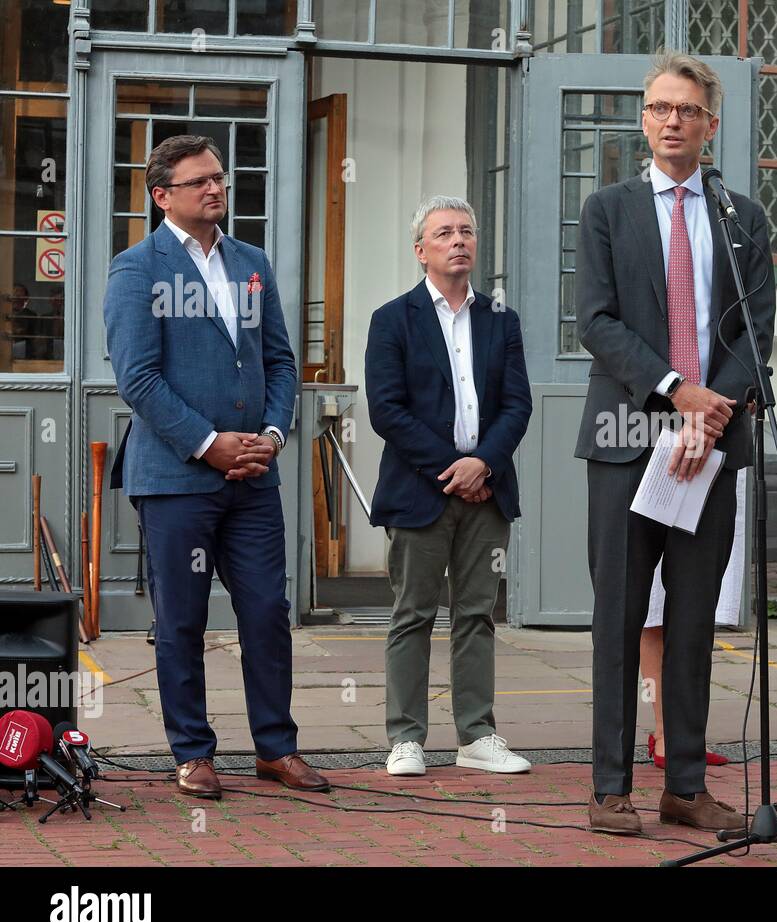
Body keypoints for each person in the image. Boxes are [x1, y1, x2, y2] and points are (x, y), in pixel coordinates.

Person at [575, 52, 775, 834]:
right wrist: (675, 392)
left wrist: (711, 411)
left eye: (686, 110)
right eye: (659, 108)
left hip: (712, 441)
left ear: (709, 125)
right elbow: (596, 321)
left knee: (693, 618)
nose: (670, 121)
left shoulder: (741, 217)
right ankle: (609, 787)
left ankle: (685, 785)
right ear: (644, 119)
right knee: (621, 617)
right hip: (630, 438)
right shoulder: (609, 210)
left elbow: (754, 327)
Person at [104, 134, 328, 800]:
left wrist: (268, 435)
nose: (215, 189)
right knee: (182, 619)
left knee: (266, 610)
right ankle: (192, 752)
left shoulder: (252, 263)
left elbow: (282, 362)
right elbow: (138, 378)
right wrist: (208, 443)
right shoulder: (136, 269)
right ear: (161, 195)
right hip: (176, 478)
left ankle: (275, 748)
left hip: (255, 477)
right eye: (200, 181)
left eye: (220, 178)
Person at [366, 196, 533, 778]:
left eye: (466, 231)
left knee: (477, 614)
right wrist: (454, 469)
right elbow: (387, 411)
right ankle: (407, 737)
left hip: (487, 494)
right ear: (421, 250)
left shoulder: (501, 320)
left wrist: (482, 463)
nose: (458, 240)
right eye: (444, 233)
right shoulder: (393, 319)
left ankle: (477, 735)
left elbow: (517, 404)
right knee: (413, 613)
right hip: (421, 493)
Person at [639, 467, 745, 769]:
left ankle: (688, 735)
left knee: (697, 607)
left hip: (716, 462)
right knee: (653, 610)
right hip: (659, 456)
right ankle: (662, 732)